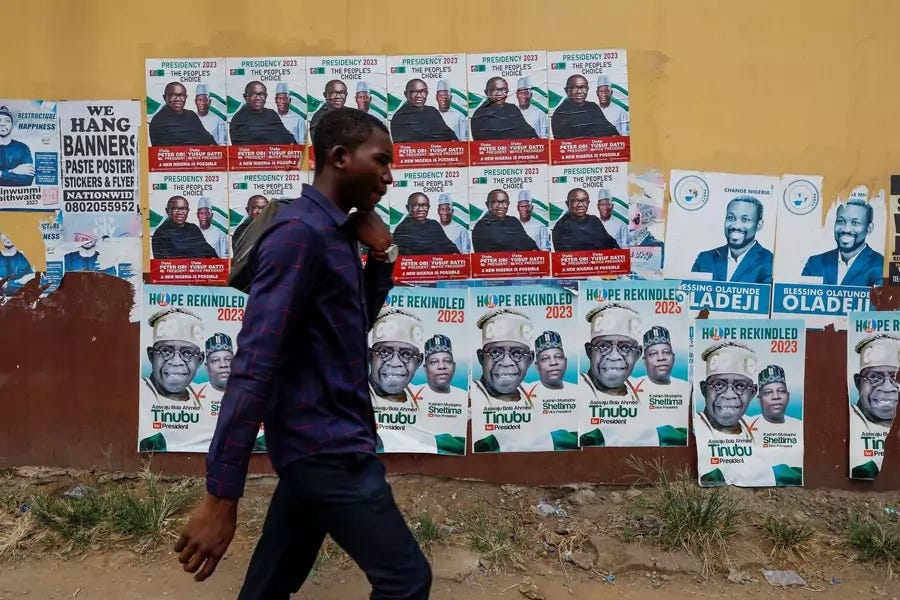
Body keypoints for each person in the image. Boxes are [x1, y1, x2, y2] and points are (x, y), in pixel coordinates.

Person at [175, 107, 431, 599]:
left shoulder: (331, 233)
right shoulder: (300, 234)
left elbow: (346, 326)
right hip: (328, 450)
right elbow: (253, 365)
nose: (389, 176)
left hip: (316, 442)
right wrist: (221, 495)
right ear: (339, 157)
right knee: (406, 581)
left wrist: (383, 259)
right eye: (380, 160)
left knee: (270, 585)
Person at [579, 303, 643, 447]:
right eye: (603, 346)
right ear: (589, 351)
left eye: (625, 347)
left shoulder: (645, 394)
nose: (614, 356)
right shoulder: (575, 392)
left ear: (637, 354)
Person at [849, 334, 900, 479]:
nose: (887, 387)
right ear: (858, 383)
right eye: (874, 377)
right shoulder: (847, 420)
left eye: (896, 377)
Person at [801, 199, 884, 287]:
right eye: (841, 221)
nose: (846, 229)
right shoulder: (815, 263)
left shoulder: (881, 265)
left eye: (855, 223)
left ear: (869, 228)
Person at [691, 195, 773, 284]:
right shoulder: (705, 259)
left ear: (759, 225)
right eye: (731, 218)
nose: (736, 226)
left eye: (745, 219)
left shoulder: (770, 262)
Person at [142, 307, 206, 403]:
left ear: (199, 360)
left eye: (188, 353)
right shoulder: (137, 391)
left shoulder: (205, 396)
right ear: (151, 355)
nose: (176, 362)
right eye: (166, 351)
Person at [471, 309, 534, 404]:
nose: (506, 362)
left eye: (517, 353)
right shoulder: (470, 396)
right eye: (495, 352)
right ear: (481, 358)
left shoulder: (535, 395)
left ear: (529, 359)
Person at [695, 341, 757, 437]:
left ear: (752, 393)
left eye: (740, 386)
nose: (729, 395)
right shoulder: (693, 428)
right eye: (719, 384)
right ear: (704, 390)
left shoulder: (757, 430)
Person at [368, 309, 424, 407]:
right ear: (369, 356)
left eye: (407, 354)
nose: (395, 363)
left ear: (418, 361)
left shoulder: (425, 401)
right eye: (385, 352)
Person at [551, 74, 619, 140]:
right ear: (566, 90)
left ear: (587, 89)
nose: (579, 92)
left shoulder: (593, 107)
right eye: (574, 88)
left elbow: (610, 129)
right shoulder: (561, 113)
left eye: (583, 87)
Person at [471, 76, 540, 141]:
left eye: (503, 89)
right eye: (494, 89)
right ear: (486, 92)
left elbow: (528, 131)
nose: (499, 93)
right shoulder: (479, 115)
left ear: (507, 91)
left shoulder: (512, 108)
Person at [551, 187, 620, 251]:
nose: (580, 205)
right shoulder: (561, 226)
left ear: (588, 203)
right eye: (575, 201)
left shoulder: (594, 220)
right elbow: (565, 256)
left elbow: (610, 242)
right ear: (567, 203)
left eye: (584, 201)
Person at [390, 78, 458, 143]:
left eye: (422, 91)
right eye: (413, 92)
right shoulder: (399, 117)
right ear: (406, 94)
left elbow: (449, 134)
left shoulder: (432, 111)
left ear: (427, 93)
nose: (419, 95)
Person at [149, 82, 217, 147]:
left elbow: (209, 140)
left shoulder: (191, 116)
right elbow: (161, 152)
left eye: (181, 95)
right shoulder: (158, 121)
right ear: (165, 97)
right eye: (172, 95)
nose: (178, 99)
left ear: (186, 97)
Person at [471, 189, 540, 253]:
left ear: (508, 204)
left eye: (503, 202)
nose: (500, 206)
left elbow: (529, 245)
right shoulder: (481, 227)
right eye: (495, 202)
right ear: (487, 204)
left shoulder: (513, 221)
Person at [393, 192, 460, 256]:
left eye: (424, 205)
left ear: (428, 207)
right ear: (408, 208)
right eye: (415, 205)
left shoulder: (434, 225)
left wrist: (454, 253)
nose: (421, 209)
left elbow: (448, 245)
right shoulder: (402, 229)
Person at [229, 81, 296, 146]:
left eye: (262, 94)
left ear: (266, 96)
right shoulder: (238, 118)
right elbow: (242, 144)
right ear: (245, 97)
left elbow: (288, 137)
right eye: (253, 94)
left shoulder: (271, 114)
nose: (258, 98)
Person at [151, 196, 218, 260]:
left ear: (188, 211)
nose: (180, 212)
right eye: (175, 208)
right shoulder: (161, 233)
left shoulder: (193, 229)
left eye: (184, 209)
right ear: (167, 211)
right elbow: (161, 263)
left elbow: (208, 251)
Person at [0, 106, 34, 186]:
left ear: (12, 125)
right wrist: (13, 171)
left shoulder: (23, 148)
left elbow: (27, 180)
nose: (2, 124)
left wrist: (2, 174)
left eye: (7, 121)